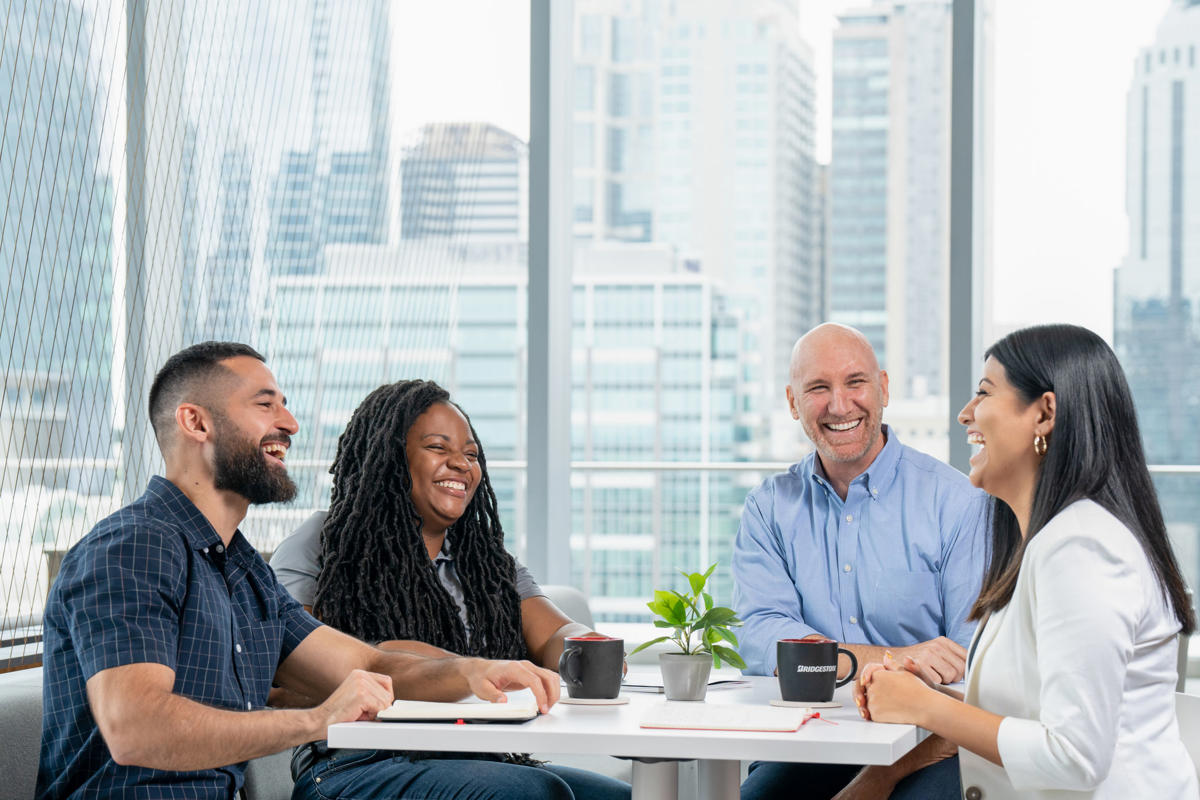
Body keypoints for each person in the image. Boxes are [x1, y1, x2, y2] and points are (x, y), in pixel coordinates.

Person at [36, 343, 560, 800]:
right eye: (265, 405)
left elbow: (371, 664)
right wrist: (318, 720)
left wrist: (473, 671)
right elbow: (135, 729)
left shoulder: (242, 571)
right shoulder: (134, 547)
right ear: (196, 422)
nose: (289, 423)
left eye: (284, 405)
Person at [856, 324, 1198, 799]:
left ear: (1044, 414)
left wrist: (927, 710)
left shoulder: (1080, 549)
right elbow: (1042, 708)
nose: (965, 413)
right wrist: (928, 696)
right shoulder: (1052, 541)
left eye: (984, 392)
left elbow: (1074, 756)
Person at [270, 379, 631, 800]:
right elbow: (285, 669)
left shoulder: (487, 562)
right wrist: (463, 670)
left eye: (471, 453)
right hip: (356, 764)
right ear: (390, 457)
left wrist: (585, 644)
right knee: (538, 794)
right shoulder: (323, 541)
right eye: (438, 448)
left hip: (477, 759)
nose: (461, 463)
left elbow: (552, 633)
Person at [733, 322, 989, 800]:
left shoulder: (959, 503)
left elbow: (971, 660)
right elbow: (761, 638)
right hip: (808, 741)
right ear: (792, 402)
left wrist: (819, 659)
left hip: (927, 745)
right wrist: (894, 660)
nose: (839, 404)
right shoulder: (769, 507)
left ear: (884, 388)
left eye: (855, 382)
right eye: (817, 388)